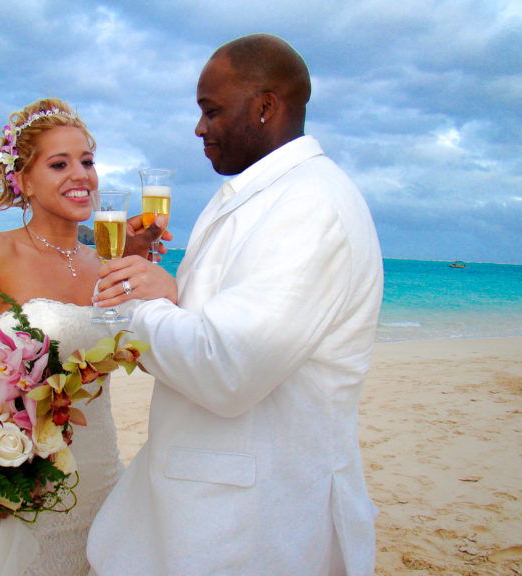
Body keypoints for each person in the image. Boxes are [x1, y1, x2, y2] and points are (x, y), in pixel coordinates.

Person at [88, 34, 384, 575]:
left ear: (266, 107)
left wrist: (136, 302)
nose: (199, 128)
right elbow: (210, 322)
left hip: (249, 524)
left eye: (210, 110)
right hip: (208, 504)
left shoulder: (309, 206)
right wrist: (157, 285)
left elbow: (227, 368)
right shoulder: (269, 196)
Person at [0, 97, 165, 576]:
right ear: (23, 181)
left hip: (103, 483)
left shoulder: (105, 266)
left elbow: (146, 354)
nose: (81, 175)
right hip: (22, 492)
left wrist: (141, 268)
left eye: (87, 162)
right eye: (59, 164)